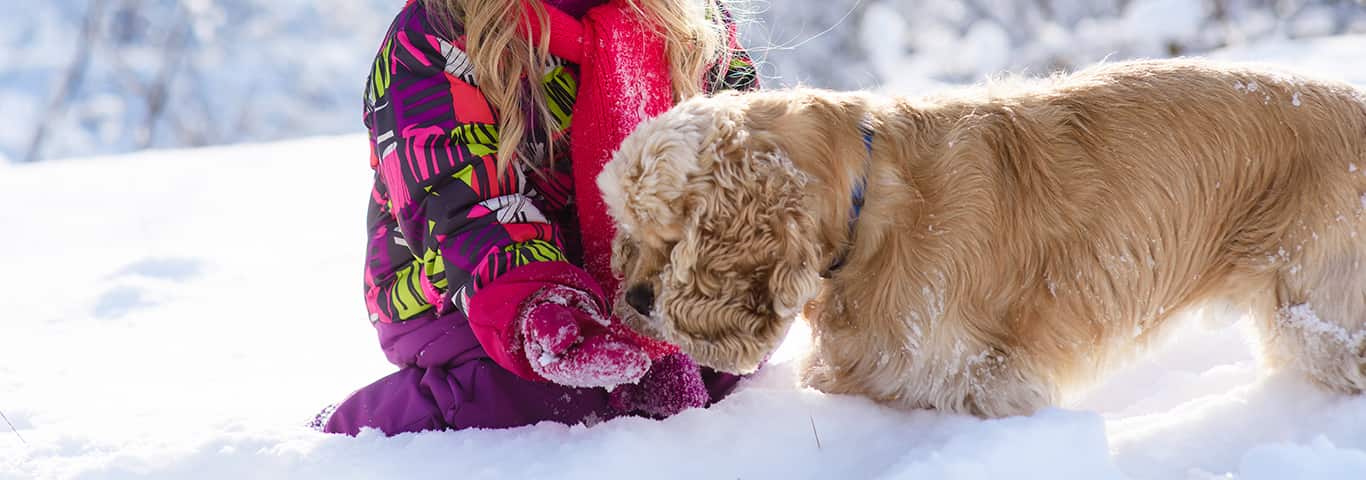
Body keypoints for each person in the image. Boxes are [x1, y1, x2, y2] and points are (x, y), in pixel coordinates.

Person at [320, 0, 760, 435]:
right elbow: (459, 200)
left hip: (638, 280)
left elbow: (745, 160)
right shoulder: (438, 29)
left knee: (723, 366)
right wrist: (541, 307)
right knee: (543, 402)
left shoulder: (689, 18)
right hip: (459, 283)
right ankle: (358, 431)